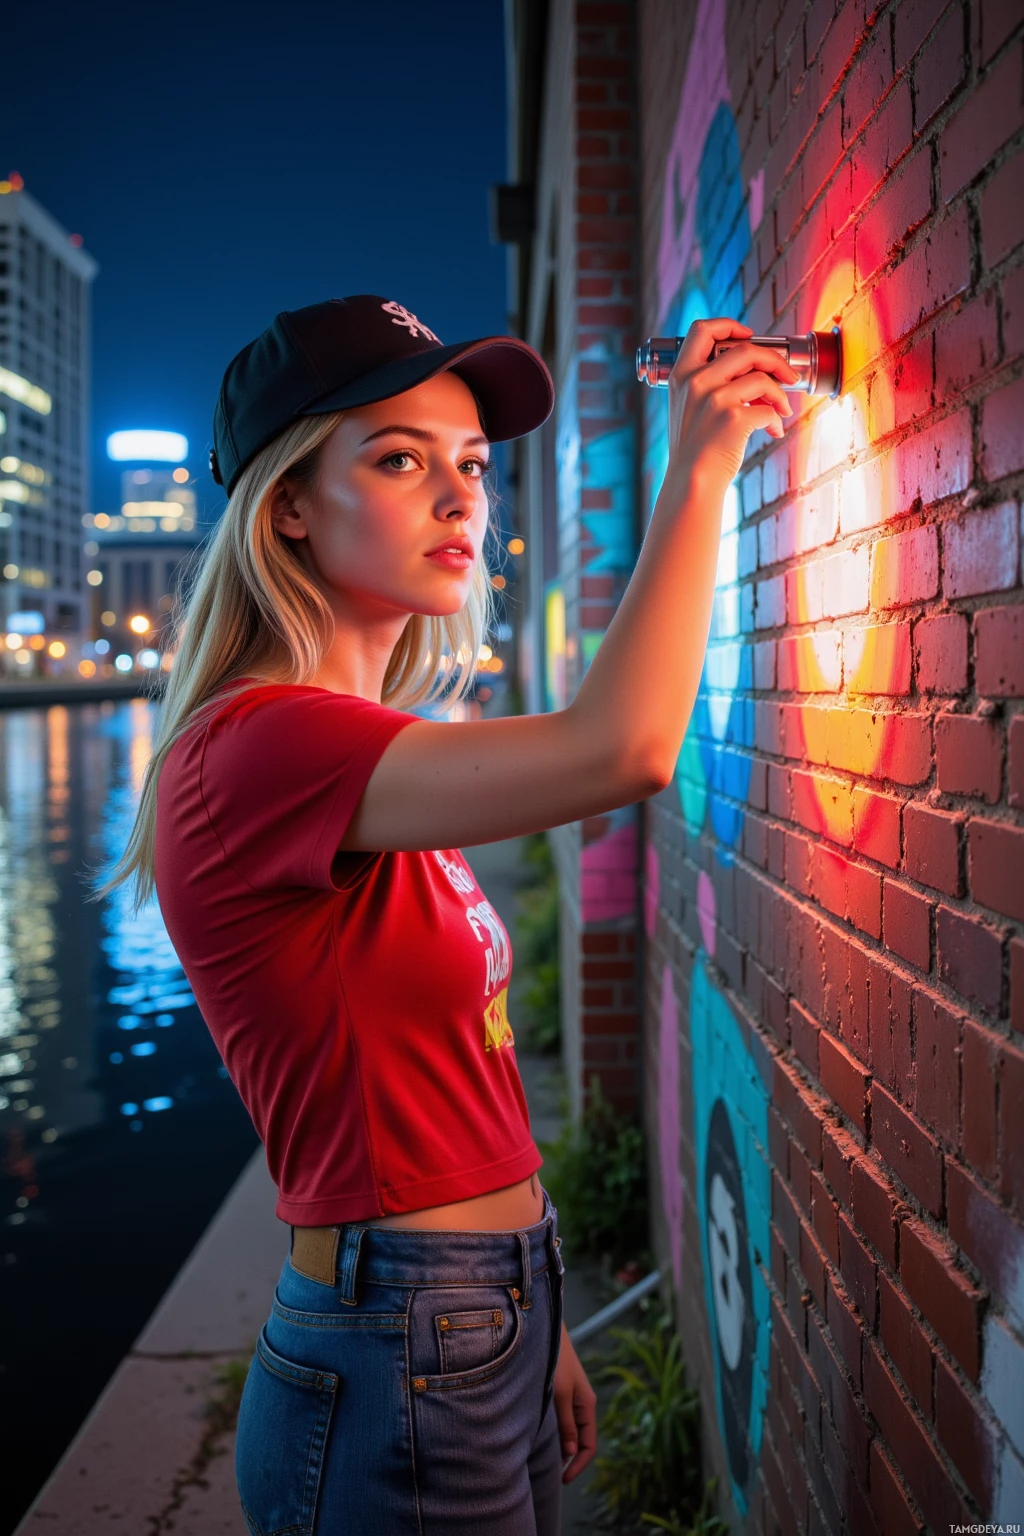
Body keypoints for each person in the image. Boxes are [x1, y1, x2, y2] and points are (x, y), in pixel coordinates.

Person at [95, 293, 796, 1535]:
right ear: (289, 507)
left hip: (468, 1323)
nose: (461, 494)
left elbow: (456, 1079)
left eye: (471, 463)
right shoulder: (264, 746)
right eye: (401, 458)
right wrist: (699, 470)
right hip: (397, 1341)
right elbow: (623, 749)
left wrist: (530, 1322)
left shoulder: (367, 759)